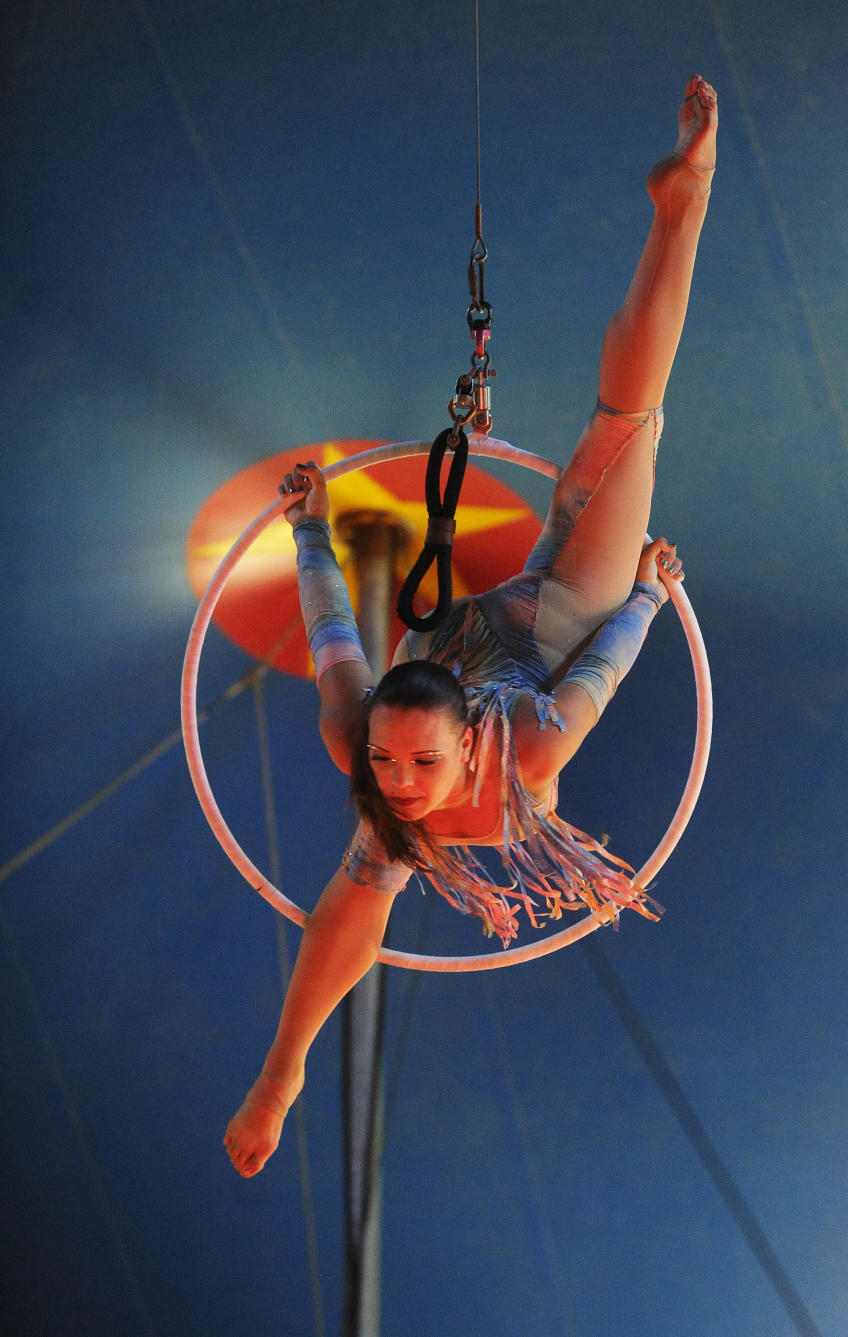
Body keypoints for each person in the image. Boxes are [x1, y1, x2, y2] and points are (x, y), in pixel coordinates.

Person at [224, 74, 717, 1178]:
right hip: (559, 635)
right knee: (629, 433)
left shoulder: (428, 733)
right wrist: (642, 589)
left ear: (455, 742)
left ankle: (680, 206)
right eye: (394, 761)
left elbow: (336, 625)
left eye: (407, 760)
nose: (394, 777)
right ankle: (686, 206)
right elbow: (603, 663)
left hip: (503, 640)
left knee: (630, 418)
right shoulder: (487, 761)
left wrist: (312, 525)